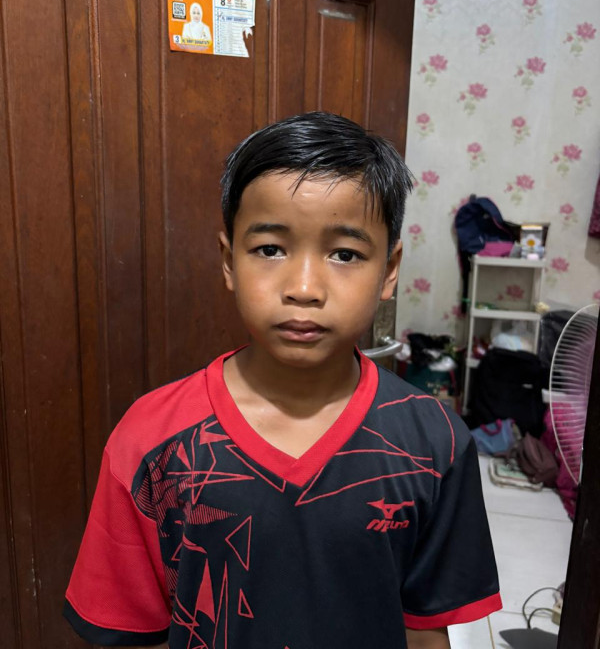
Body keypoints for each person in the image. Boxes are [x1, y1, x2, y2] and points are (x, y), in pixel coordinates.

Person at [64, 112, 501, 649]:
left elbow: (425, 631)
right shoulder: (150, 439)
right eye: (270, 248)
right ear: (229, 261)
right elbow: (133, 632)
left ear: (389, 270)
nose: (303, 287)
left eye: (345, 254)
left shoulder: (435, 441)